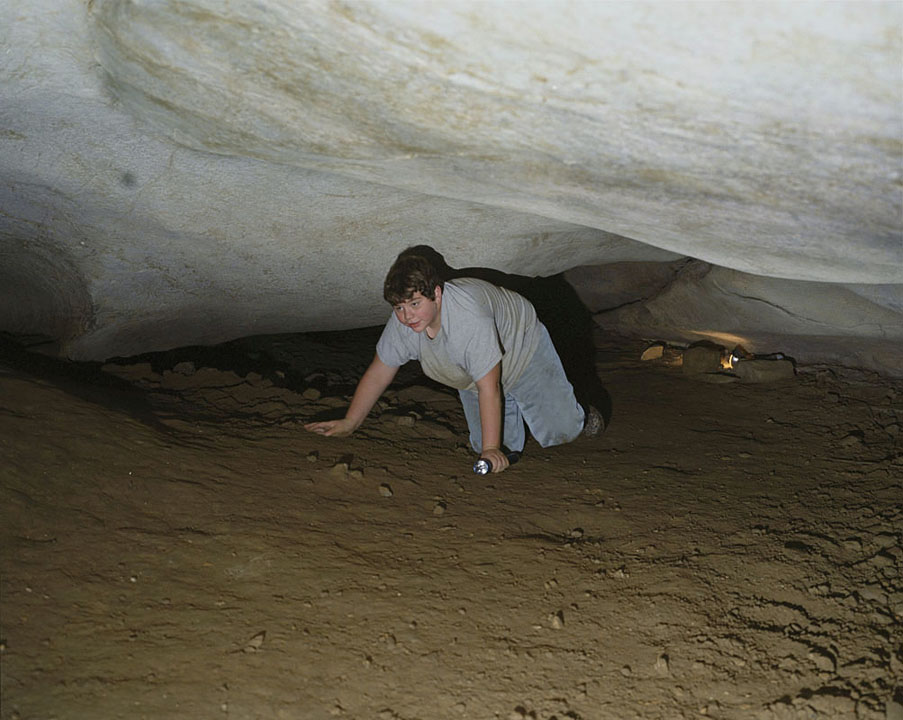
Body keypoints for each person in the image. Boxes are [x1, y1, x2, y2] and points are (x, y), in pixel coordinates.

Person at [304, 249, 604, 473]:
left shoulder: (468, 319)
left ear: (436, 293)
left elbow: (489, 389)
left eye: (414, 304)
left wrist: (491, 449)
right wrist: (351, 422)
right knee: (496, 447)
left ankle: (580, 415)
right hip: (471, 371)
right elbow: (380, 372)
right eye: (399, 307)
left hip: (520, 347)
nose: (406, 316)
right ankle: (510, 408)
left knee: (561, 429)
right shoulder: (404, 323)